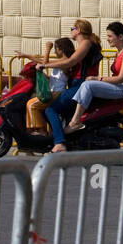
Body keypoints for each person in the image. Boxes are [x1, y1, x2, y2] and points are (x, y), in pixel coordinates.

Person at [39, 19, 103, 153]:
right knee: (59, 112)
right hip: (77, 85)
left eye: (72, 28)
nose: (71, 31)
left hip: (80, 86)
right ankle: (61, 138)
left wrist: (45, 65)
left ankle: (59, 143)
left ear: (78, 30)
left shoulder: (85, 43)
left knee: (50, 110)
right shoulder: (84, 45)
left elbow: (71, 62)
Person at [65, 22, 123, 133]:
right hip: (119, 86)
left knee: (87, 85)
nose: (108, 39)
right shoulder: (119, 53)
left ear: (120, 37)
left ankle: (75, 122)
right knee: (87, 85)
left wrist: (97, 79)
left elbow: (121, 78)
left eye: (110, 36)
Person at [25, 37, 74, 133]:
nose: (55, 52)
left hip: (58, 93)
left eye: (56, 49)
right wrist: (26, 56)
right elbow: (43, 63)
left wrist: (48, 48)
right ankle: (48, 132)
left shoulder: (66, 60)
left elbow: (45, 63)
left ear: (61, 49)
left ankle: (41, 133)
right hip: (53, 91)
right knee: (42, 110)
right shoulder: (60, 61)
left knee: (31, 104)